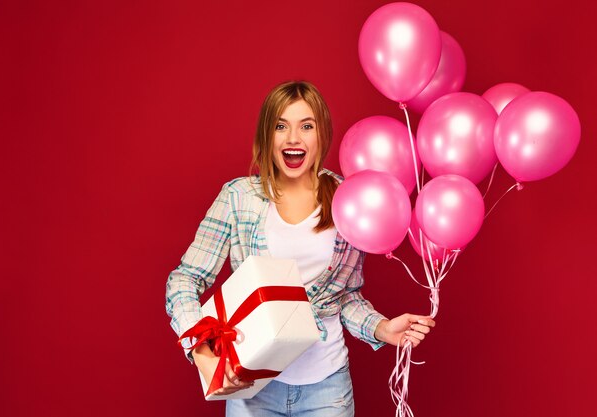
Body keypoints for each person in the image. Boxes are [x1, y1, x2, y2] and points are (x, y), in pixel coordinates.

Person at [165, 80, 435, 416]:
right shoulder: (238, 198)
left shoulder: (347, 199)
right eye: (281, 126)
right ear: (268, 135)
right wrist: (202, 353)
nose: (294, 138)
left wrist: (381, 328)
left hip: (327, 388)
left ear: (321, 134)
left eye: (306, 126)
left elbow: (344, 296)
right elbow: (184, 279)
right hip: (252, 389)